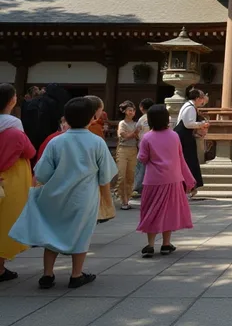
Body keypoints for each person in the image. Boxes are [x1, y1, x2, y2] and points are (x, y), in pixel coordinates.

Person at [9, 97, 117, 289]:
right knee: (81, 234)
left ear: (66, 117)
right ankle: (76, 275)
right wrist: (107, 198)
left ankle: (47, 274)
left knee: (52, 232)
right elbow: (105, 175)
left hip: (55, 195)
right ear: (92, 118)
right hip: (83, 197)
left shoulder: (56, 142)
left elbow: (42, 173)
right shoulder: (97, 143)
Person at [137, 104, 196, 258]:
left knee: (151, 211)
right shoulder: (174, 136)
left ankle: (150, 245)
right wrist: (189, 179)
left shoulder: (147, 137)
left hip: (153, 180)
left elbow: (142, 158)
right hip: (173, 179)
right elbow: (181, 158)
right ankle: (166, 244)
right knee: (168, 211)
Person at [0, 84, 35, 283]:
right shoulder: (13, 126)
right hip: (9, 178)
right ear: (12, 100)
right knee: (5, 222)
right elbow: (29, 151)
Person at [174, 88, 208, 193]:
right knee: (189, 161)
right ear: (198, 98)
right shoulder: (190, 107)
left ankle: (190, 186)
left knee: (188, 161)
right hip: (184, 137)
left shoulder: (188, 106)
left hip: (184, 136)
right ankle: (189, 186)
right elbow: (188, 124)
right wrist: (202, 124)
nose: (203, 102)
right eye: (202, 99)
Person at [116, 101, 139, 210]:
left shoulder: (136, 124)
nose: (132, 112)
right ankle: (122, 199)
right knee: (122, 176)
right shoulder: (122, 123)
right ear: (125, 111)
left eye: (133, 110)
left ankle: (127, 199)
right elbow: (124, 135)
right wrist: (135, 133)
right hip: (123, 149)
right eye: (129, 110)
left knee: (130, 176)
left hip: (133, 150)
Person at [133, 98, 155, 195]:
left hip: (143, 145)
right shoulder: (156, 117)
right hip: (155, 145)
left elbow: (137, 132)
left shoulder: (142, 119)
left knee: (141, 167)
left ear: (141, 107)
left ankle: (138, 187)